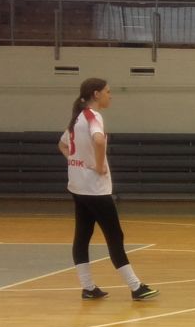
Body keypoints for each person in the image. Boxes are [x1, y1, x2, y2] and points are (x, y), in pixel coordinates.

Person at [57, 78, 158, 301]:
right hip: (95, 189)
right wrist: (100, 165)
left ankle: (88, 287)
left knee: (83, 235)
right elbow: (99, 141)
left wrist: (75, 161)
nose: (110, 96)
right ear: (96, 94)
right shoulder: (93, 117)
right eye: (108, 91)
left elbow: (62, 144)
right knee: (114, 235)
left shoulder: (77, 118)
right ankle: (136, 287)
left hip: (77, 186)